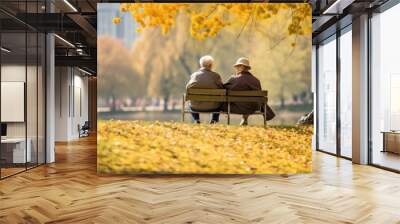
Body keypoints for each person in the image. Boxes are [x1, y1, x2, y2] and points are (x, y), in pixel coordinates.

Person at [186, 55, 224, 124]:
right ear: (210, 65)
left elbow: (187, 88)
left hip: (196, 107)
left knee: (189, 104)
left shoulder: (194, 75)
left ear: (201, 65)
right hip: (213, 107)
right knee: (220, 102)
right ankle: (214, 120)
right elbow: (222, 89)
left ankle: (196, 119)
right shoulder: (216, 76)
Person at [224, 57, 262, 126]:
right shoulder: (256, 80)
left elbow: (224, 89)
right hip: (252, 108)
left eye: (237, 66)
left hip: (237, 108)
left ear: (242, 67)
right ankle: (245, 119)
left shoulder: (234, 79)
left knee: (227, 102)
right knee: (247, 102)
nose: (236, 68)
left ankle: (215, 120)